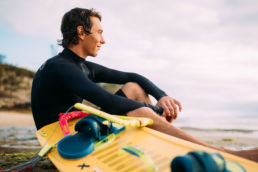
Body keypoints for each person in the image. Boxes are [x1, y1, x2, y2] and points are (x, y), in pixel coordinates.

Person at [31, 7, 258, 162]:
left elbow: (134, 76)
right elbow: (106, 99)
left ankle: (162, 140)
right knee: (136, 108)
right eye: (99, 32)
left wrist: (162, 97)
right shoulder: (60, 67)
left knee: (135, 89)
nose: (103, 40)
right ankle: (221, 153)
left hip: (77, 125)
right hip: (61, 137)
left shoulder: (81, 65)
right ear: (81, 32)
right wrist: (155, 112)